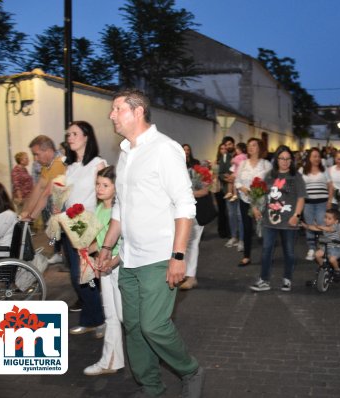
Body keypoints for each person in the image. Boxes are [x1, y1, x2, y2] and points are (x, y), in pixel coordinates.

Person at [98, 89, 203, 397]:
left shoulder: (164, 149)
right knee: (133, 327)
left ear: (138, 111)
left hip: (160, 256)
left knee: (153, 326)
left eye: (117, 109)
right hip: (129, 258)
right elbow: (120, 208)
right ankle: (151, 387)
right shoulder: (125, 153)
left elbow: (185, 205)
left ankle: (191, 370)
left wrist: (178, 256)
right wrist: (108, 249)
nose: (111, 115)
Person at [62, 121, 106, 337]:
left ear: (87, 137)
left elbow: (104, 199)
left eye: (75, 133)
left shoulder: (98, 164)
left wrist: (96, 233)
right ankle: (91, 319)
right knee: (76, 276)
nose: (70, 137)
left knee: (85, 275)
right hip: (69, 224)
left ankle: (99, 320)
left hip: (86, 224)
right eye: (68, 134)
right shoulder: (70, 166)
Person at [83, 166, 124, 376]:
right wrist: (85, 250)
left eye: (105, 185)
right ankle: (111, 361)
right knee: (111, 315)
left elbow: (127, 245)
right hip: (106, 268)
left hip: (121, 268)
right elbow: (99, 243)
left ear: (117, 188)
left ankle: (149, 357)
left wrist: (112, 262)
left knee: (127, 317)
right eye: (98, 184)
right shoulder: (99, 208)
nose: (99, 189)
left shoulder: (120, 210)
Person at [250, 146, 306, 292]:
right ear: (276, 159)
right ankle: (264, 280)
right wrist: (255, 207)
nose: (285, 162)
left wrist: (296, 216)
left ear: (292, 160)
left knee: (289, 251)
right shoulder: (270, 175)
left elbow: (301, 198)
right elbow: (259, 193)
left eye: (288, 159)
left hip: (289, 221)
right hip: (270, 221)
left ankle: (287, 279)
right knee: (266, 250)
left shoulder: (296, 177)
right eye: (282, 158)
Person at [20, 135, 67, 264]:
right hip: (58, 212)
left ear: (47, 151)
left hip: (68, 212)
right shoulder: (48, 165)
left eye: (36, 154)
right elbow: (38, 188)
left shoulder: (59, 163)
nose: (35, 158)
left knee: (71, 250)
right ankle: (61, 255)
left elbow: (45, 193)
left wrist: (30, 217)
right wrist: (25, 212)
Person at [234, 137, 272, 267]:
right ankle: (246, 256)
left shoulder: (266, 164)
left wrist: (261, 192)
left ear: (259, 148)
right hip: (245, 200)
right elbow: (237, 181)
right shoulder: (243, 164)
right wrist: (242, 188)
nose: (250, 147)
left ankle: (267, 254)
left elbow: (270, 183)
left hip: (261, 201)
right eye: (249, 145)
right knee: (247, 228)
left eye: (254, 145)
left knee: (264, 228)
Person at [180, 148, 212, 290]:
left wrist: (188, 194)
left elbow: (204, 190)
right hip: (178, 213)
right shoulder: (172, 171)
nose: (185, 155)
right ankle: (183, 273)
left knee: (192, 244)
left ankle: (191, 277)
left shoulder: (197, 171)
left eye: (187, 153)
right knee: (182, 245)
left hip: (195, 213)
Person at [300, 148, 332, 261]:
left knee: (321, 224)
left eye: (318, 156)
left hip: (322, 203)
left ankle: (322, 249)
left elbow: (330, 186)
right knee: (309, 226)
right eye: (314, 156)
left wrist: (330, 201)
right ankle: (312, 248)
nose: (317, 158)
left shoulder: (325, 170)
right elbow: (299, 187)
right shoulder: (302, 170)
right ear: (309, 158)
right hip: (308, 203)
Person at [302, 208, 340, 281]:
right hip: (326, 247)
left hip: (336, 248)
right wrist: (306, 226)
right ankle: (323, 267)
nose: (326, 220)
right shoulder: (325, 226)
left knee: (332, 259)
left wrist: (318, 226)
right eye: (325, 217)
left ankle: (337, 270)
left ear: (336, 221)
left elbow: (329, 229)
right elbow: (315, 228)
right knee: (317, 254)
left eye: (329, 218)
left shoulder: (336, 226)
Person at [214, 143, 231, 240]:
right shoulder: (216, 161)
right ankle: (221, 230)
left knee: (228, 210)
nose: (223, 150)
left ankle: (229, 231)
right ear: (219, 150)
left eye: (225, 148)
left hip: (226, 187)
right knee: (221, 211)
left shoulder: (229, 159)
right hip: (218, 188)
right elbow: (213, 174)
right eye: (221, 148)